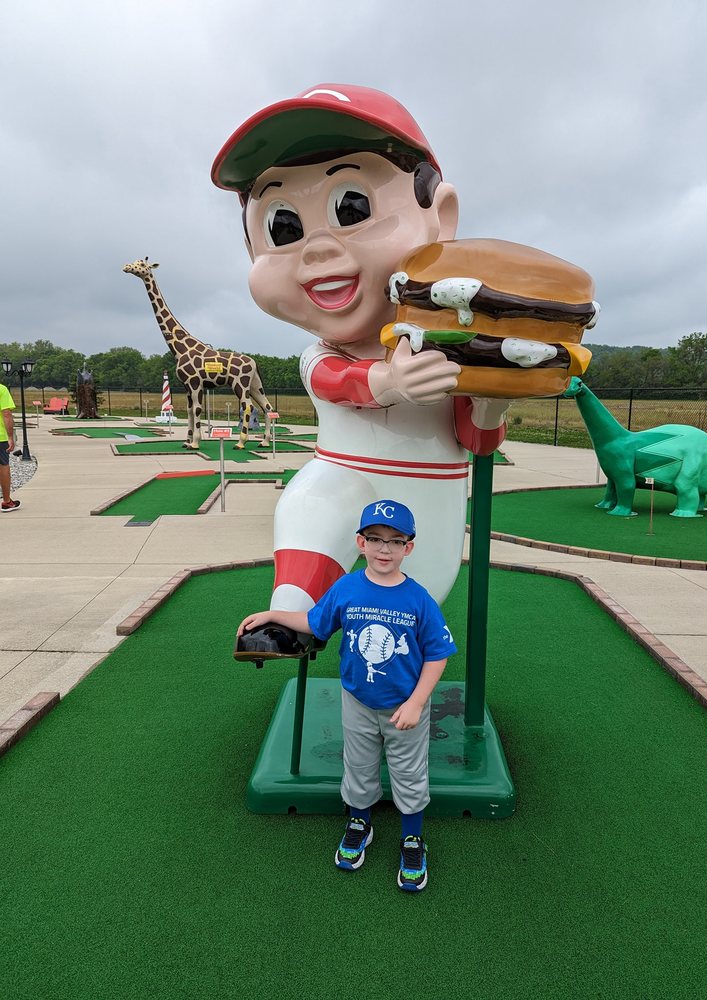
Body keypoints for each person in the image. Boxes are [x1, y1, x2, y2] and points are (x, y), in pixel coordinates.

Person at [212, 84, 509, 617]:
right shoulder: (319, 354)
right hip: (343, 470)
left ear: (440, 217)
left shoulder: (452, 348)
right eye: (284, 226)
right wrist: (391, 382)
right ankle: (291, 611)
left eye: (352, 208)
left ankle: (399, 658)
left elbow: (477, 440)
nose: (318, 248)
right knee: (309, 507)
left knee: (414, 600)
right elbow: (336, 381)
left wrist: (493, 398)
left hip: (429, 487)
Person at [237, 499, 457, 893]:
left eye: (395, 541)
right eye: (375, 539)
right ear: (360, 542)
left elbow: (438, 654)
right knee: (357, 765)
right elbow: (315, 621)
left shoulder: (418, 598)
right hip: (357, 700)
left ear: (408, 547)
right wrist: (273, 615)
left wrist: (417, 702)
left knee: (409, 773)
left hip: (404, 704)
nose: (384, 549)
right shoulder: (348, 587)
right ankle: (360, 823)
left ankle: (412, 838)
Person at [0, 381, 20, 512]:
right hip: (0, 436)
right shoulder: (1, 389)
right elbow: (6, 413)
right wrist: (11, 437)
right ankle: (7, 501)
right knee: (3, 465)